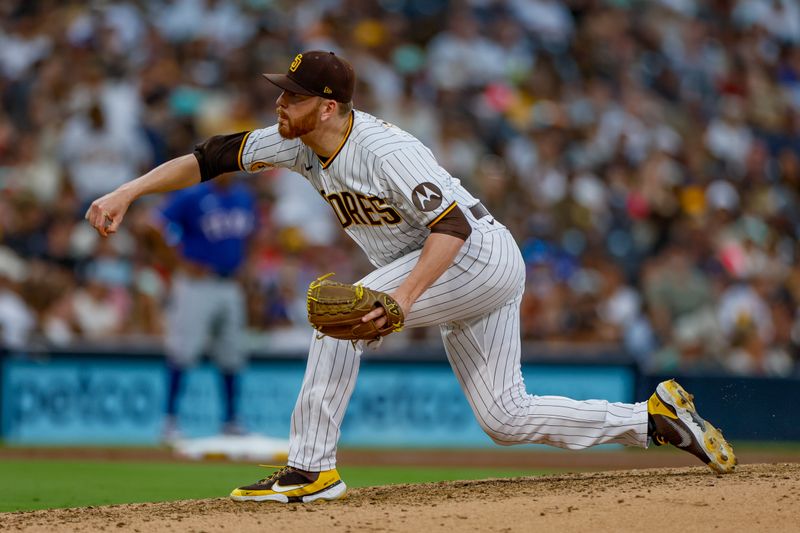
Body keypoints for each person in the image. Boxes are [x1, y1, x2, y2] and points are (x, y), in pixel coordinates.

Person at [85, 50, 736, 504]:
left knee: (340, 318)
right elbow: (210, 157)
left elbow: (451, 228)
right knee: (505, 416)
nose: (279, 103)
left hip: (474, 256)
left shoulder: (386, 150)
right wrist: (128, 190)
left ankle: (312, 469)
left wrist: (399, 298)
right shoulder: (297, 141)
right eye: (280, 92)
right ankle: (653, 419)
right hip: (457, 268)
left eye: (293, 95)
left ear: (331, 105)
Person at [154, 174, 256, 441]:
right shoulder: (193, 196)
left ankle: (232, 420)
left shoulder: (243, 196)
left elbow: (249, 236)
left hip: (230, 283)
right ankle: (170, 420)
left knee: (232, 353)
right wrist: (176, 260)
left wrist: (245, 265)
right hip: (196, 284)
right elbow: (154, 226)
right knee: (183, 350)